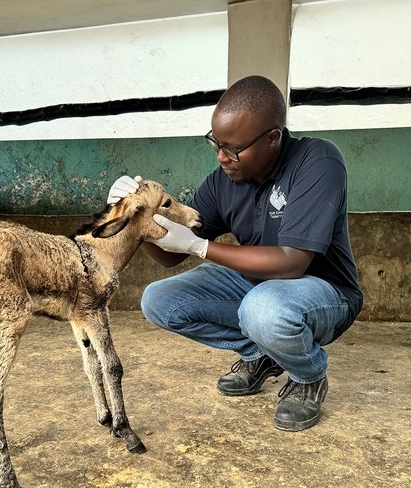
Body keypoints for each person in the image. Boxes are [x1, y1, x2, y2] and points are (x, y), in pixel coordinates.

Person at [107, 75, 363, 432]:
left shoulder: (317, 161)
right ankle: (259, 354)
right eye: (215, 143)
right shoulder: (223, 180)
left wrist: (201, 247)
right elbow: (170, 255)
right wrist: (135, 218)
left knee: (263, 309)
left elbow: (292, 262)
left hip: (323, 291)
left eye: (232, 148)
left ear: (273, 138)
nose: (221, 157)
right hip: (256, 285)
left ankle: (308, 375)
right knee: (159, 300)